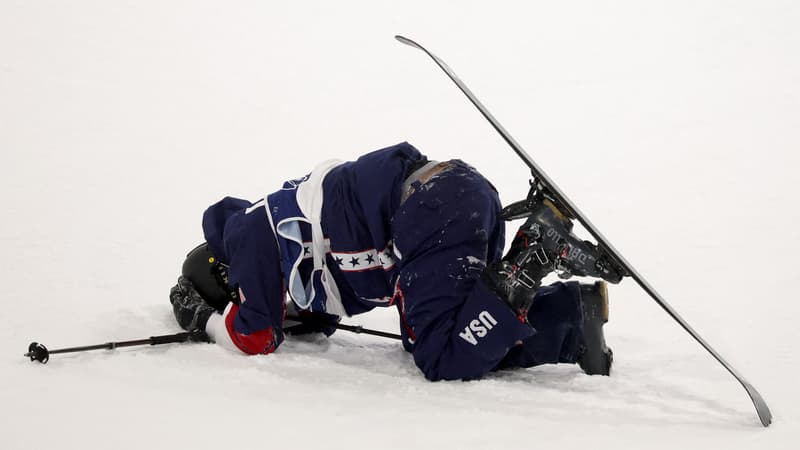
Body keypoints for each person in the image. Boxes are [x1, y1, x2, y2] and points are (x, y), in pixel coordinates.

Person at [169, 142, 622, 381]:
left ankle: (536, 252)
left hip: (429, 213)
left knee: (442, 354)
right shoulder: (281, 233)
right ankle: (571, 319)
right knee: (455, 329)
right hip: (450, 198)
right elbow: (318, 321)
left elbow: (254, 336)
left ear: (225, 276)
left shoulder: (246, 235)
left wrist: (206, 319)